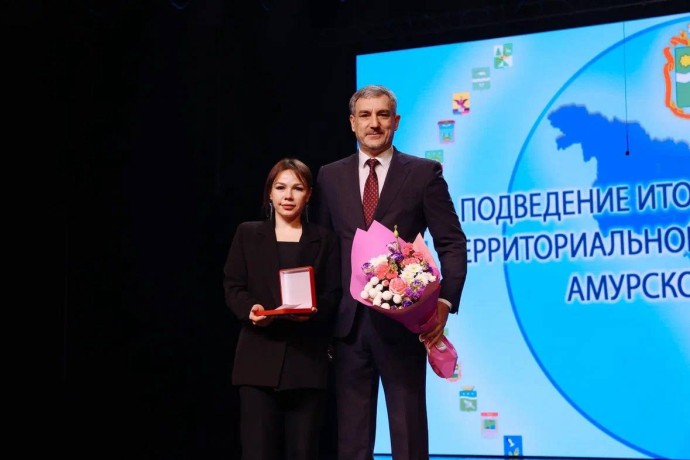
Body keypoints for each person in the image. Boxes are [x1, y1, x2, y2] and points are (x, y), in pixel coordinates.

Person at [313, 85, 468, 459]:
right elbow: (323, 252)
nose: (374, 123)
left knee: (408, 432)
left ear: (396, 121)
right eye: (365, 115)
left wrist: (445, 302)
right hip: (347, 328)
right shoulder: (329, 177)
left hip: (404, 325)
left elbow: (452, 242)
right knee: (352, 439)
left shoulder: (423, 173)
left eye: (382, 115)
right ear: (352, 123)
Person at [223, 158, 341, 460]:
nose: (288, 196)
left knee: (304, 452)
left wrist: (312, 312)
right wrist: (251, 309)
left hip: (307, 362)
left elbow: (332, 295)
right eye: (280, 187)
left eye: (297, 188)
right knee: (257, 452)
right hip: (257, 362)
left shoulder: (325, 239)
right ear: (270, 193)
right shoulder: (247, 234)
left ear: (309, 194)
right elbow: (233, 286)